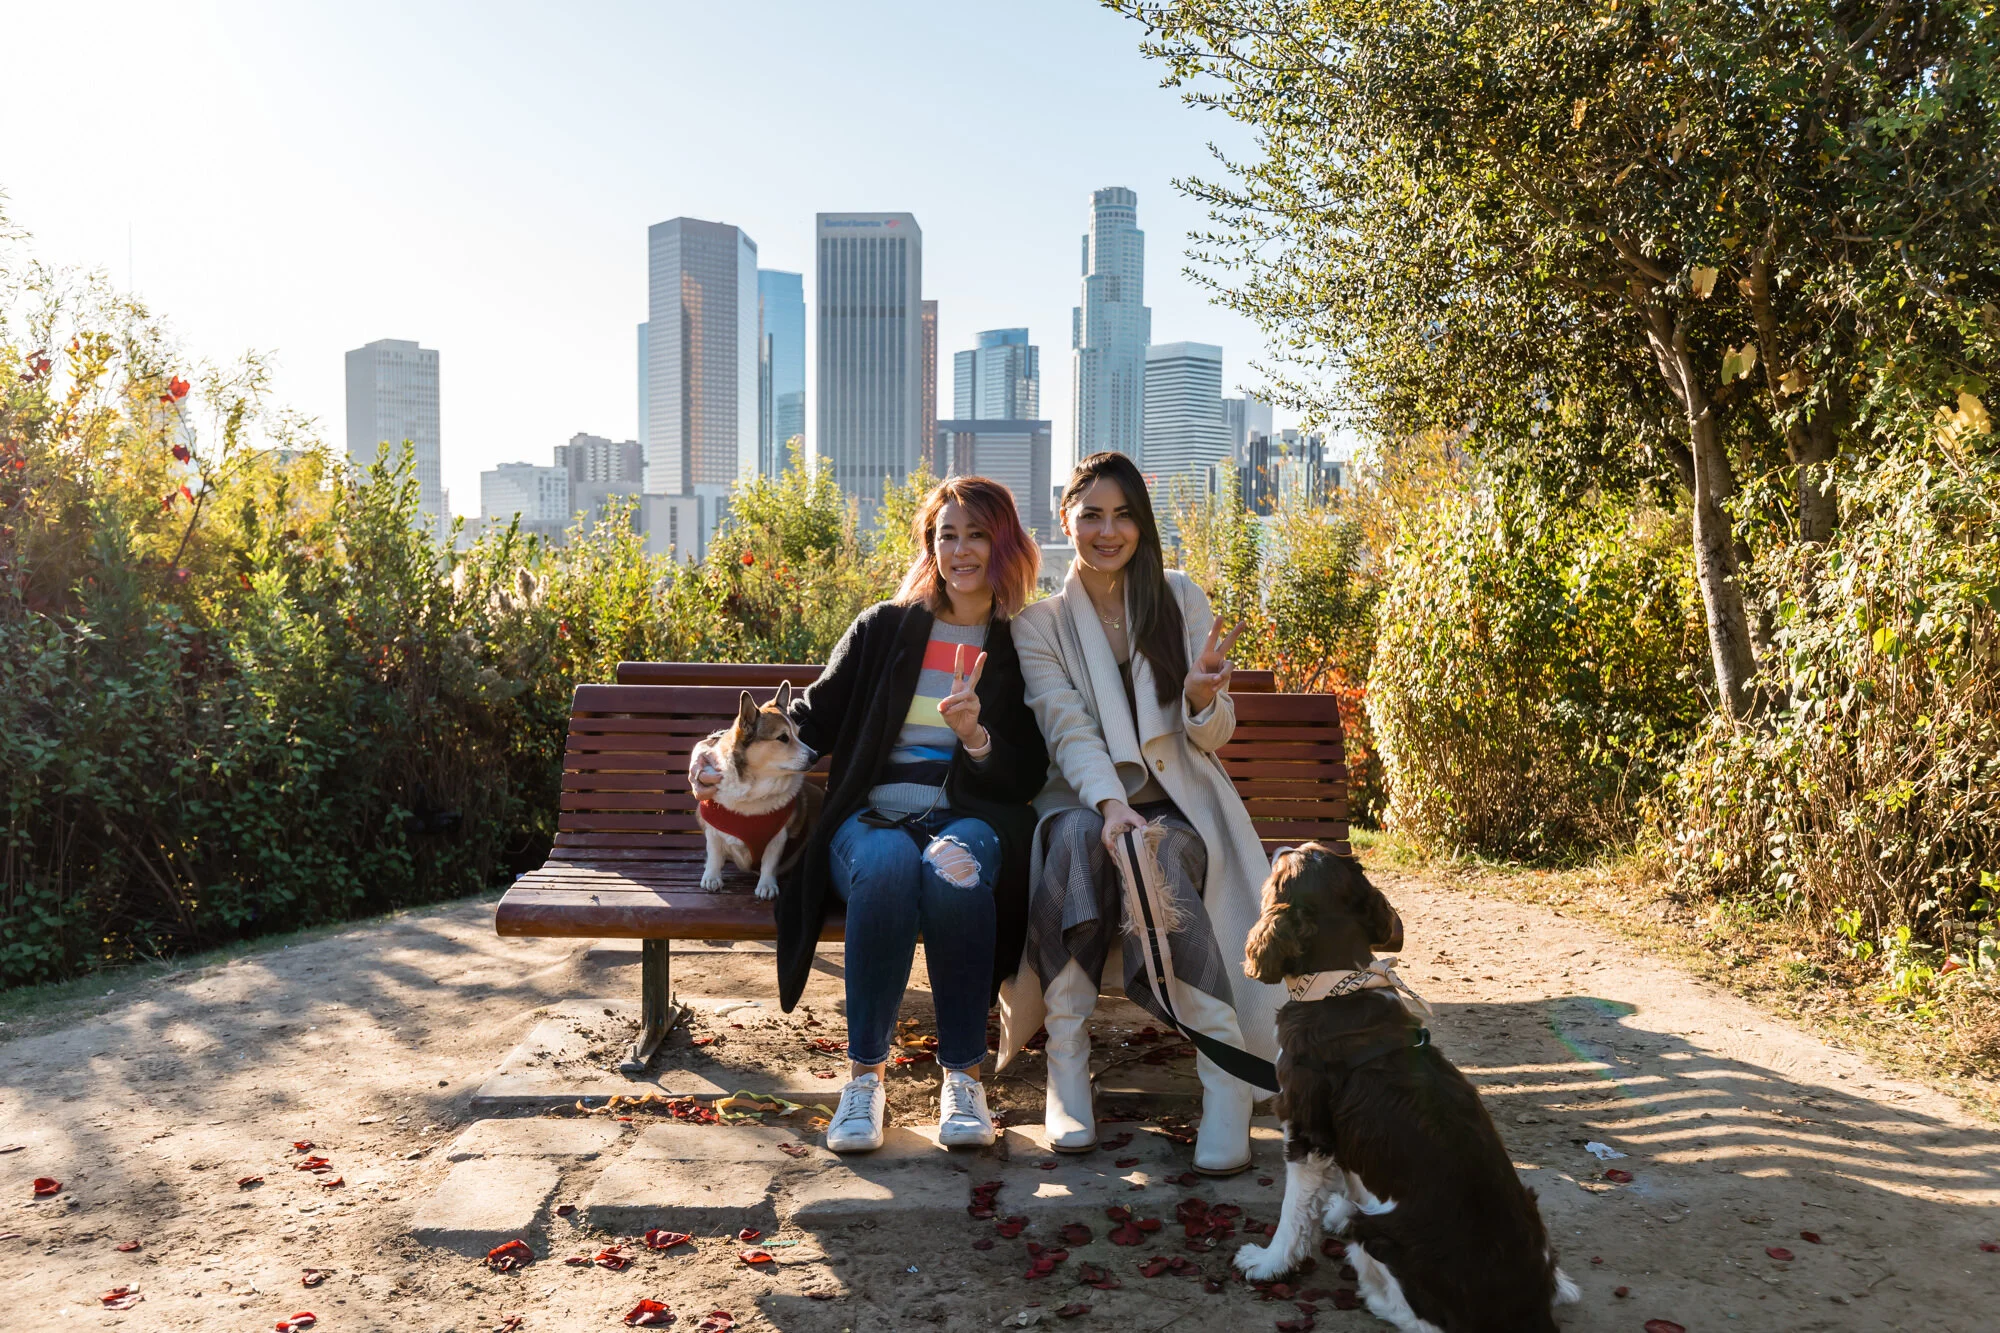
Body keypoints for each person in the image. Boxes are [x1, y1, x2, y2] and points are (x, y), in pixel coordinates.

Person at [689, 477, 1047, 1154]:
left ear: (1003, 544)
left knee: (953, 866)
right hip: (873, 816)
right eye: (948, 534)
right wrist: (715, 748)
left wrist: (975, 737)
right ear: (930, 545)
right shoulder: (885, 627)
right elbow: (806, 719)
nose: (961, 548)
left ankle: (963, 1077)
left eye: (976, 533)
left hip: (970, 817)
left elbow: (1029, 771)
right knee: (884, 867)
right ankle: (864, 1080)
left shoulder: (1020, 643)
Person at [1000, 450, 1280, 1175]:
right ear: (1065, 518)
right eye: (1091, 513)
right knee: (1071, 839)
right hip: (1087, 800)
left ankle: (1225, 1076)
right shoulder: (1041, 624)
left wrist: (1199, 697)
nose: (1107, 529)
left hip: (1180, 808)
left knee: (1154, 851)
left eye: (1123, 514)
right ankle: (1067, 1063)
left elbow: (1214, 734)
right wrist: (1110, 803)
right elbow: (1066, 728)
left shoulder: (1180, 598)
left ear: (1141, 525)